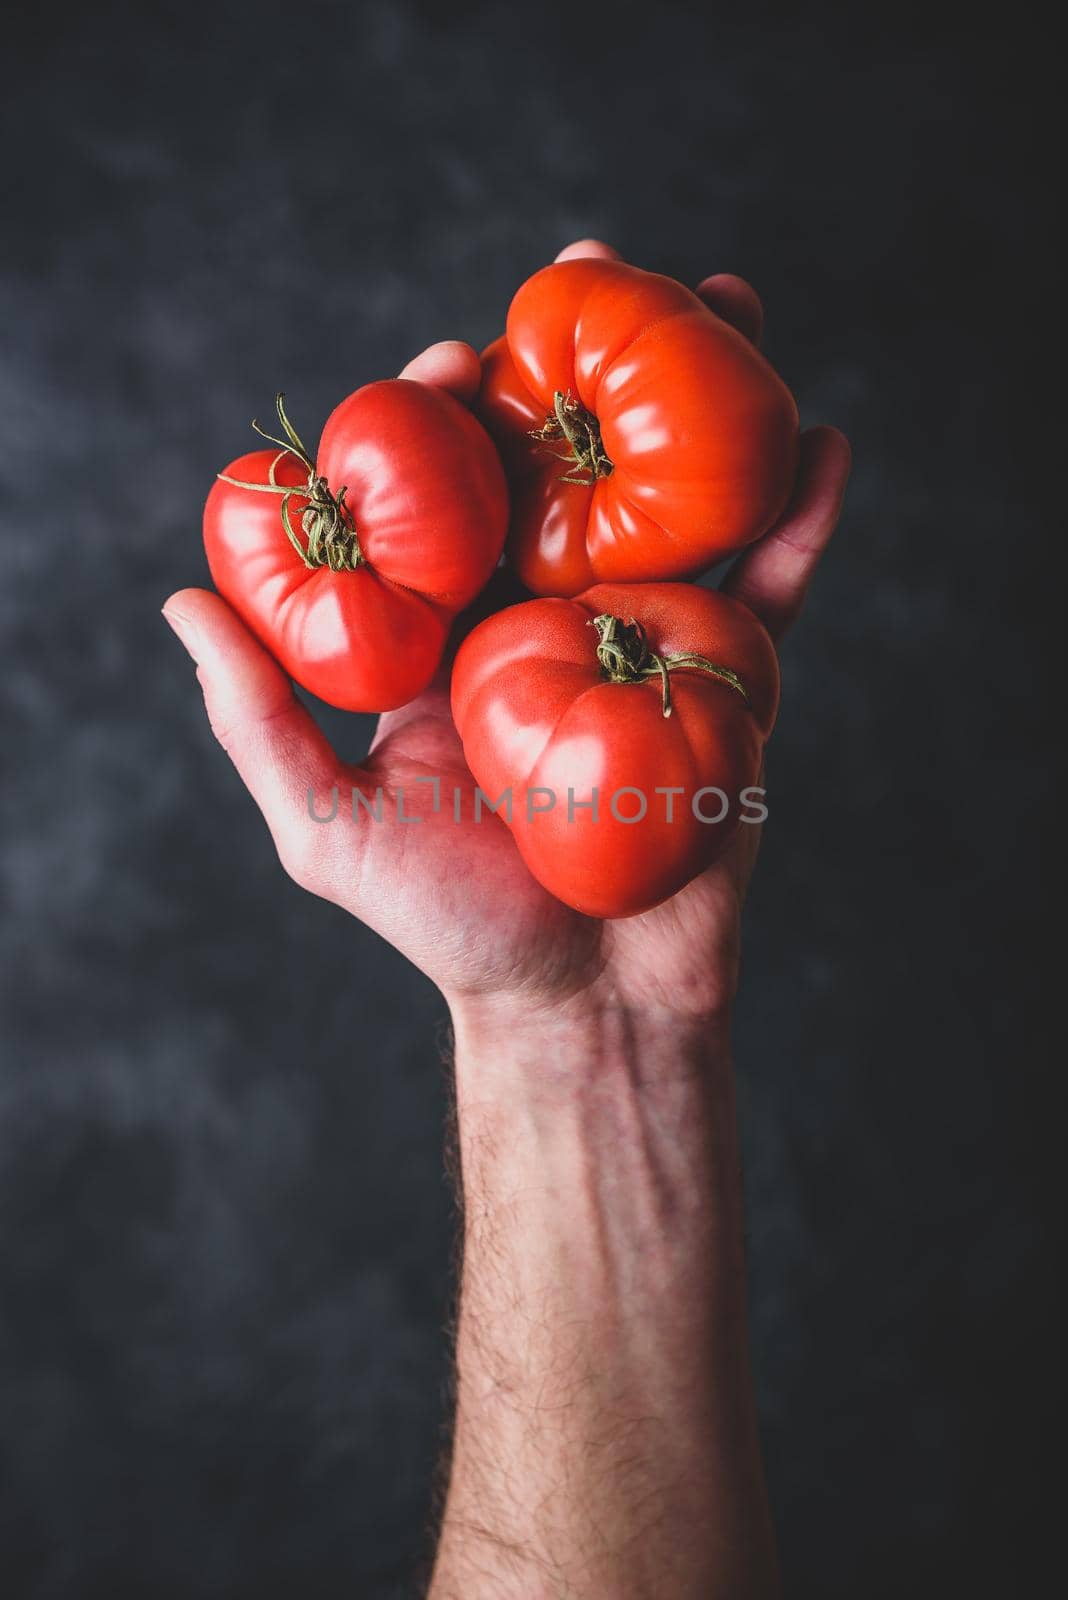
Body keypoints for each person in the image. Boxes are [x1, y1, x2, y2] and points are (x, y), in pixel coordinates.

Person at [163, 238, 851, 1600]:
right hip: (579, 630)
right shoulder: (534, 566)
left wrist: (598, 1033)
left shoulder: (516, 546)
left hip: (570, 620)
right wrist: (569, 1024)